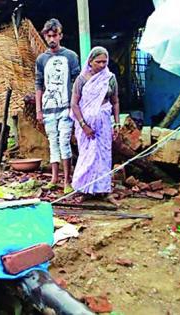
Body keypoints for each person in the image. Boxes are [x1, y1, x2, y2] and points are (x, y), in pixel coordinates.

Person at [70, 46, 120, 204]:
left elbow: (115, 101)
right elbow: (74, 104)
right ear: (90, 62)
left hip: (103, 123)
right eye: (98, 62)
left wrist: (117, 123)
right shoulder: (82, 79)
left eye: (105, 62)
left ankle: (104, 191)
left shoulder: (110, 78)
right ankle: (86, 190)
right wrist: (84, 125)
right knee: (87, 156)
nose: (102, 65)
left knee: (104, 157)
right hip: (85, 127)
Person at [35, 18, 80, 194]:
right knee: (52, 143)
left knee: (64, 142)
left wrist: (74, 105)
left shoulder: (70, 56)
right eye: (49, 36)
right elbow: (39, 84)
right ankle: (54, 178)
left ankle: (67, 181)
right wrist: (39, 109)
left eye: (55, 35)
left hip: (66, 107)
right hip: (48, 108)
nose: (52, 39)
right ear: (45, 37)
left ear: (60, 35)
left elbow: (77, 82)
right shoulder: (41, 59)